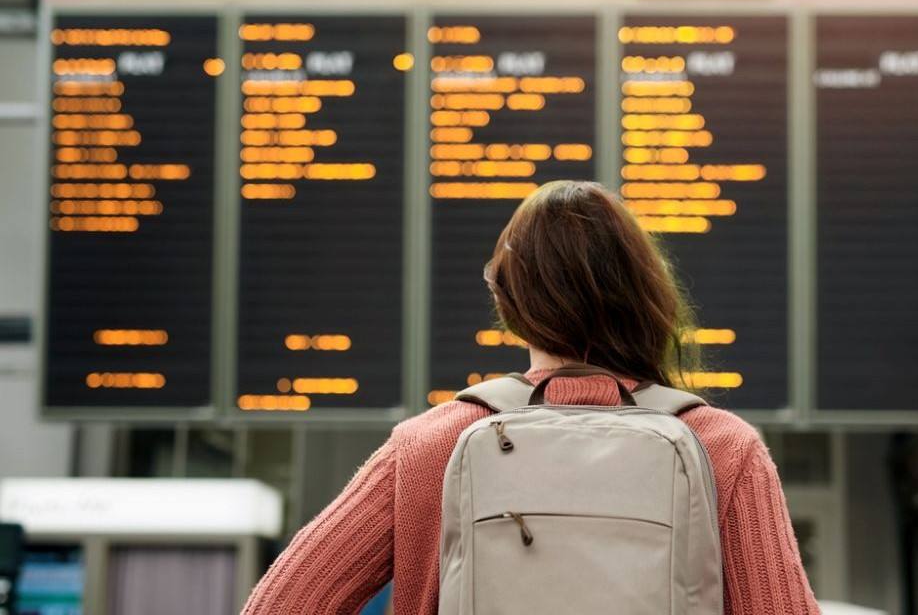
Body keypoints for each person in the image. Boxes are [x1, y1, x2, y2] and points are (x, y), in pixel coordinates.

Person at [242, 180, 820, 614]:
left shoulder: (428, 445)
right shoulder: (722, 448)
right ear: (648, 297)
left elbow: (279, 606)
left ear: (511, 305)